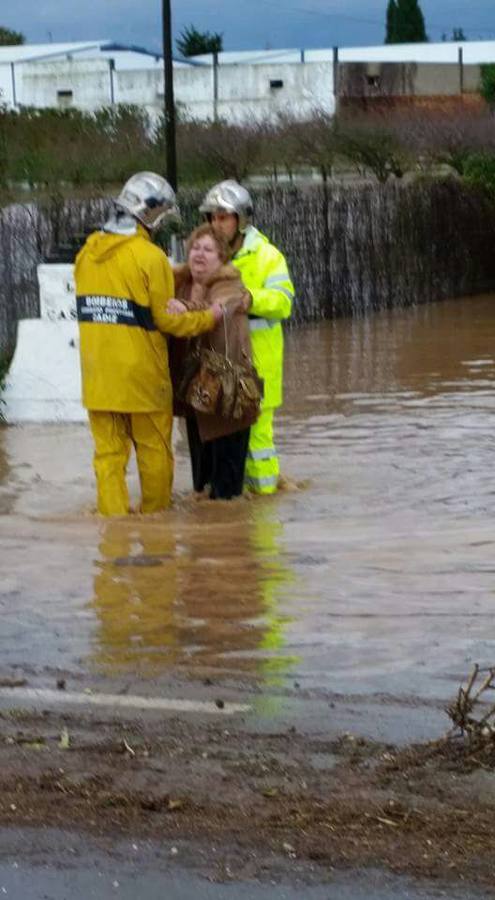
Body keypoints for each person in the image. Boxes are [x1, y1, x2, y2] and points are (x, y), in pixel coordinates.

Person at [75, 171, 223, 517]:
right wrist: (209, 316)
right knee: (154, 451)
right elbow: (167, 319)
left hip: (98, 378)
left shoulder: (85, 254)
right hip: (143, 379)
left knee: (108, 457)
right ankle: (156, 525)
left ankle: (114, 531)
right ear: (152, 215)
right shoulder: (151, 257)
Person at [199, 180, 294, 495]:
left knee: (257, 442)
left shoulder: (268, 256)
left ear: (241, 219)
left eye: (223, 216)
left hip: (259, 366)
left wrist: (252, 299)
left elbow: (284, 302)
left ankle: (264, 513)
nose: (216, 223)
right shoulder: (209, 257)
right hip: (220, 366)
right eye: (212, 217)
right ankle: (236, 504)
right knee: (221, 446)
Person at [169, 223, 256, 500]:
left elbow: (215, 310)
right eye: (195, 247)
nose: (199, 254)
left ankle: (226, 539)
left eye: (208, 250)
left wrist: (185, 308)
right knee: (200, 489)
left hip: (228, 400)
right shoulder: (179, 282)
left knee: (226, 497)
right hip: (196, 398)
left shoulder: (229, 284)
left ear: (222, 258)